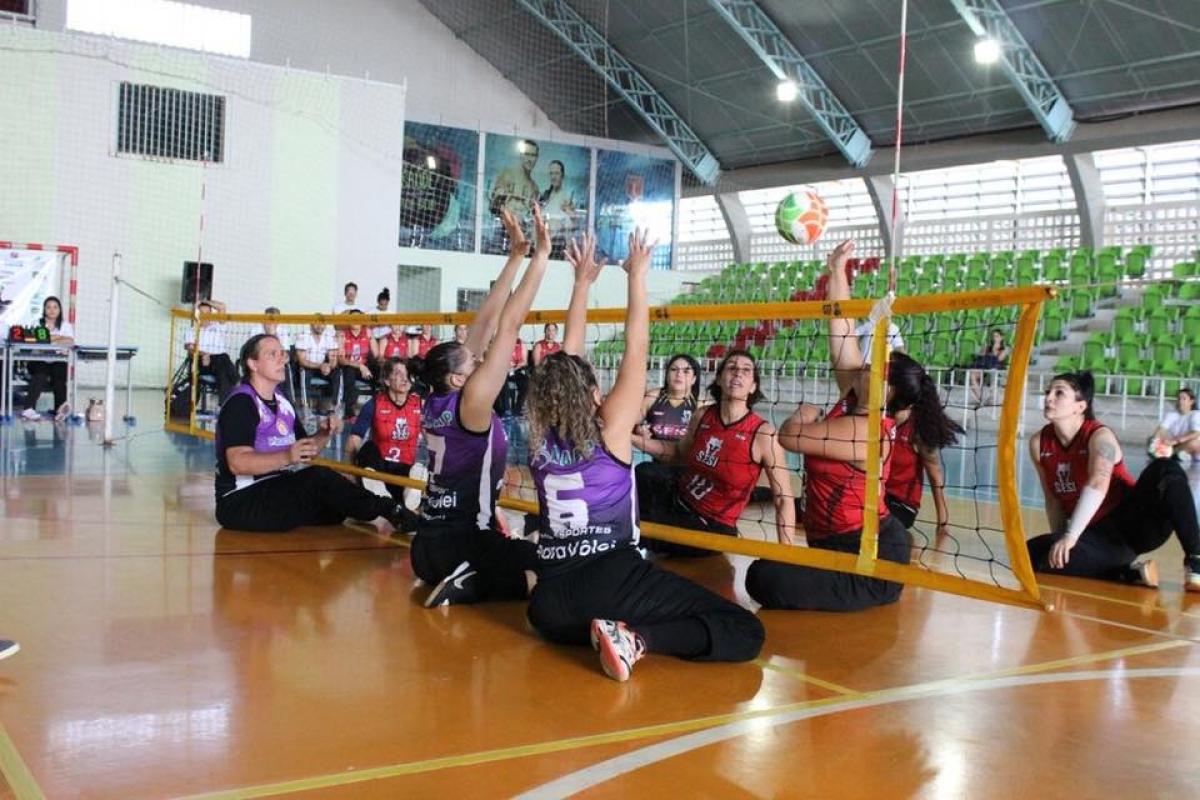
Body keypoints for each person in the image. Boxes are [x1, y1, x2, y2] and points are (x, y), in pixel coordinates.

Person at [525, 229, 763, 682]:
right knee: (745, 630)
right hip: (611, 578)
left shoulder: (537, 436)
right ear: (593, 392)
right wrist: (636, 276)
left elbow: (565, 364)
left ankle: (614, 631)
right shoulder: (610, 429)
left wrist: (581, 284)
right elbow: (637, 347)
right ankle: (637, 640)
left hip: (550, 605)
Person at [745, 240, 911, 612]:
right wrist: (838, 271)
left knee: (763, 577)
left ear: (890, 389)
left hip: (868, 555)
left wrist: (805, 414)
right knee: (766, 573)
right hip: (834, 543)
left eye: (880, 362)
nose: (869, 361)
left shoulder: (869, 428)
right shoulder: (855, 393)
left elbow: (791, 436)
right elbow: (841, 328)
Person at [412, 205, 550, 607]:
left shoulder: (439, 398)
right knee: (550, 570)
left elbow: (487, 321)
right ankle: (475, 582)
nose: (479, 356)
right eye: (472, 360)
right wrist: (541, 256)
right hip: (465, 543)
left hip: (425, 549)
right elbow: (507, 325)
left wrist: (515, 254)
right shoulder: (471, 403)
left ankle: (473, 576)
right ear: (458, 377)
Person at [214, 333, 410, 533]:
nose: (282, 358)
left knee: (333, 509)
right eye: (273, 354)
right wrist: (286, 456)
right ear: (253, 364)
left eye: (282, 353)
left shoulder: (282, 401)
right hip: (240, 500)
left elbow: (305, 451)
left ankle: (390, 497)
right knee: (319, 478)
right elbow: (237, 462)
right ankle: (390, 509)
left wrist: (324, 433)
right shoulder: (242, 402)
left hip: (277, 487)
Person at [1027, 371, 1200, 592]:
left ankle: (1196, 558)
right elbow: (1052, 499)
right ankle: (1125, 572)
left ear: (1080, 406)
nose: (1048, 398)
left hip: (1135, 524)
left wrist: (1070, 537)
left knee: (1165, 469)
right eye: (1047, 392)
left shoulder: (1099, 436)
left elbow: (1098, 482)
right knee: (1032, 553)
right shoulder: (1039, 443)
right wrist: (1059, 541)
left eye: (1059, 393)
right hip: (1097, 536)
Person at [633, 349, 795, 556]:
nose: (738, 373)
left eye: (746, 370)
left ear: (753, 386)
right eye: (732, 368)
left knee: (643, 530)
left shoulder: (764, 434)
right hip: (678, 499)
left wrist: (787, 556)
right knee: (645, 471)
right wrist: (631, 438)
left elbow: (783, 499)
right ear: (719, 379)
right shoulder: (703, 415)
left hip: (711, 524)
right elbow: (677, 454)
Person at [342, 357, 425, 530]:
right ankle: (380, 495)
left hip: (401, 474)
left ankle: (409, 499)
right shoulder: (374, 404)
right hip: (378, 470)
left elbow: (433, 439)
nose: (404, 378)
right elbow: (353, 440)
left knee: (420, 469)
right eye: (398, 373)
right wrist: (350, 472)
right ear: (387, 380)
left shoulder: (419, 405)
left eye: (407, 374)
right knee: (367, 448)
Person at [885, 359, 963, 540]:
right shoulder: (878, 417)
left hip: (901, 505)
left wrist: (942, 522)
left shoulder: (917, 431)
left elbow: (935, 477)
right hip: (875, 495)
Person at [632, 353, 701, 519]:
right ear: (667, 374)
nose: (679, 374)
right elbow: (629, 422)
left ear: (694, 379)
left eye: (686, 371)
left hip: (688, 472)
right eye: (674, 369)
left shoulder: (701, 404)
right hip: (658, 468)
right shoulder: (653, 397)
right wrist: (638, 430)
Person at [20, 295, 75, 421]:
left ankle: (60, 409)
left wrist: (50, 337)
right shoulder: (36, 323)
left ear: (59, 309)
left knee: (59, 378)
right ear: (44, 309)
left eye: (55, 307)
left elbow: (70, 341)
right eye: (48, 307)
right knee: (41, 374)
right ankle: (28, 409)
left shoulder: (66, 325)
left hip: (58, 360)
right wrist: (59, 338)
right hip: (38, 359)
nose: (52, 310)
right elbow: (36, 340)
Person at [486, 139, 540, 254]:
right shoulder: (508, 174)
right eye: (527, 154)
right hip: (502, 234)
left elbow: (531, 217)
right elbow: (493, 206)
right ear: (521, 156)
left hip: (521, 237)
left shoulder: (534, 188)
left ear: (537, 158)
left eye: (533, 155)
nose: (530, 159)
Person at [182, 299, 237, 405]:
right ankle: (238, 382)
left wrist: (205, 301)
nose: (205, 316)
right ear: (197, 314)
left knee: (223, 374)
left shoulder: (218, 326)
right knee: (223, 358)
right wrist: (203, 354)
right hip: (203, 362)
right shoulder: (192, 330)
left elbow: (222, 306)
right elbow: (190, 348)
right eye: (202, 313)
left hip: (220, 363)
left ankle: (224, 405)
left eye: (207, 313)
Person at [332, 310, 377, 418]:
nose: (355, 321)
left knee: (378, 370)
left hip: (365, 366)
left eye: (358, 318)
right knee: (349, 372)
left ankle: (380, 407)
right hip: (350, 366)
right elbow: (341, 360)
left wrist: (371, 337)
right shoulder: (343, 334)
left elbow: (376, 354)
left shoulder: (367, 332)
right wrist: (359, 366)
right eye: (352, 318)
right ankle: (349, 411)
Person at [294, 322, 338, 410]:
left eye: (322, 324)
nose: (320, 326)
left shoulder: (329, 335)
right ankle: (305, 407)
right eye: (317, 324)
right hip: (307, 366)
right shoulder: (304, 335)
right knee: (304, 372)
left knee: (337, 373)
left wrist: (328, 366)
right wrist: (320, 366)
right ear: (311, 324)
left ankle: (335, 406)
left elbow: (334, 360)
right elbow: (302, 361)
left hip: (322, 366)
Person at [1149, 388, 1200, 463]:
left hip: (1190, 446)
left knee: (1194, 443)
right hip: (1176, 445)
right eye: (1178, 398)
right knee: (1150, 439)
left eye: (1184, 399)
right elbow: (1161, 430)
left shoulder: (1196, 414)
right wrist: (1154, 441)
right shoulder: (1171, 415)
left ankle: (1171, 453)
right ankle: (1176, 454)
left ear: (1191, 402)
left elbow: (1196, 433)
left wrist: (1174, 441)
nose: (1180, 401)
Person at [539, 160, 577, 258]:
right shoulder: (545, 196)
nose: (553, 177)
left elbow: (574, 221)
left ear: (562, 175)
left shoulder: (566, 196)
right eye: (551, 173)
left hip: (558, 244)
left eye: (556, 173)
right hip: (543, 243)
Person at [968, 328, 1008, 407]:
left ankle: (992, 398)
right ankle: (981, 398)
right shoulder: (987, 347)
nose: (994, 338)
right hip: (985, 368)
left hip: (996, 368)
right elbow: (981, 358)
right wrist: (983, 351)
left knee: (992, 372)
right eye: (993, 336)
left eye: (996, 336)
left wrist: (994, 349)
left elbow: (999, 359)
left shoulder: (1004, 349)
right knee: (972, 373)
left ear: (1001, 337)